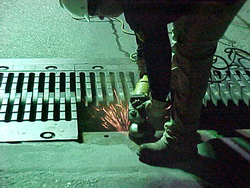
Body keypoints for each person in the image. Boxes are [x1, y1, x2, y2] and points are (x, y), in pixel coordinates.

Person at [60, 0, 246, 161]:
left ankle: (179, 142)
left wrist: (157, 103)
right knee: (181, 32)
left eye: (95, 12)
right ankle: (183, 106)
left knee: (191, 54)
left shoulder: (138, 6)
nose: (100, 18)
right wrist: (147, 76)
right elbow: (149, 38)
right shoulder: (136, 6)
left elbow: (158, 53)